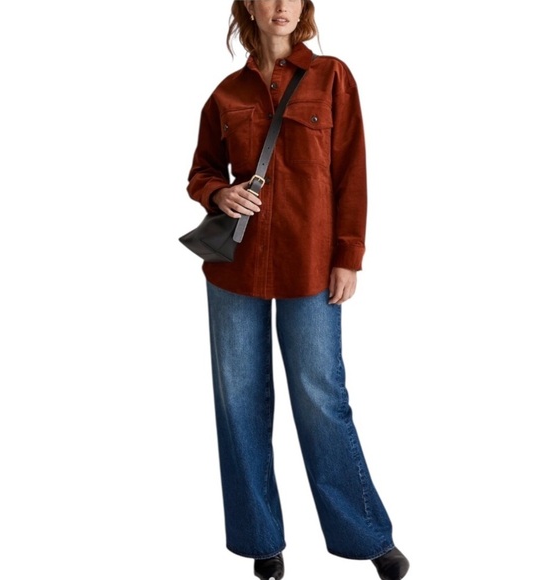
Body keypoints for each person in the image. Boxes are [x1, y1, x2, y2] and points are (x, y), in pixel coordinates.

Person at [185, 1, 410, 579]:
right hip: (235, 269)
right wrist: (218, 194)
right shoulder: (226, 94)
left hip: (311, 262)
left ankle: (366, 535)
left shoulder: (332, 77)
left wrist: (348, 256)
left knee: (321, 396)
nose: (281, 5)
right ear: (249, 7)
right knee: (239, 402)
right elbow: (201, 171)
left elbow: (351, 170)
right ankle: (261, 539)